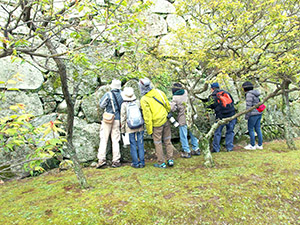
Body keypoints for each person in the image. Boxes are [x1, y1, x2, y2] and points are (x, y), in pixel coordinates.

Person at [139, 78, 174, 169]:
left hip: (156, 124)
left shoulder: (144, 99)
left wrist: (149, 130)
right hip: (165, 119)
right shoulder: (159, 92)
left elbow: (147, 116)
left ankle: (161, 162)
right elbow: (167, 104)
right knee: (167, 140)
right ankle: (170, 159)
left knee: (158, 143)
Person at [96, 79, 123, 168]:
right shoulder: (122, 94)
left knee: (104, 139)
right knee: (115, 140)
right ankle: (116, 160)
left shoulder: (108, 94)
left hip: (108, 118)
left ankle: (101, 159)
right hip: (117, 119)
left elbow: (101, 105)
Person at [170, 83, 200, 158]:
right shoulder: (187, 93)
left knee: (183, 135)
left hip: (182, 118)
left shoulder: (175, 97)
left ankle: (187, 151)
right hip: (190, 116)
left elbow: (172, 109)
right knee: (193, 133)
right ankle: (196, 149)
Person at [120, 87, 145, 168]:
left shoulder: (124, 105)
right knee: (140, 144)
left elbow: (123, 118)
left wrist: (123, 130)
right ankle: (142, 162)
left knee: (133, 145)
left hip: (130, 127)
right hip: (140, 126)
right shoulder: (137, 102)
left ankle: (135, 163)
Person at [207, 82, 236, 153]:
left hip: (221, 117)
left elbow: (209, 106)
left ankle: (216, 148)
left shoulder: (212, 96)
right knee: (230, 131)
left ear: (212, 89)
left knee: (217, 132)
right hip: (231, 115)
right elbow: (232, 102)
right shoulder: (226, 93)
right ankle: (229, 147)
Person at [242, 81, 263, 150]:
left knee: (251, 129)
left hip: (253, 114)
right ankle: (260, 145)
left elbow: (249, 106)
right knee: (258, 128)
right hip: (259, 113)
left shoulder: (249, 95)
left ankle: (252, 145)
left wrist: (247, 116)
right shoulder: (256, 93)